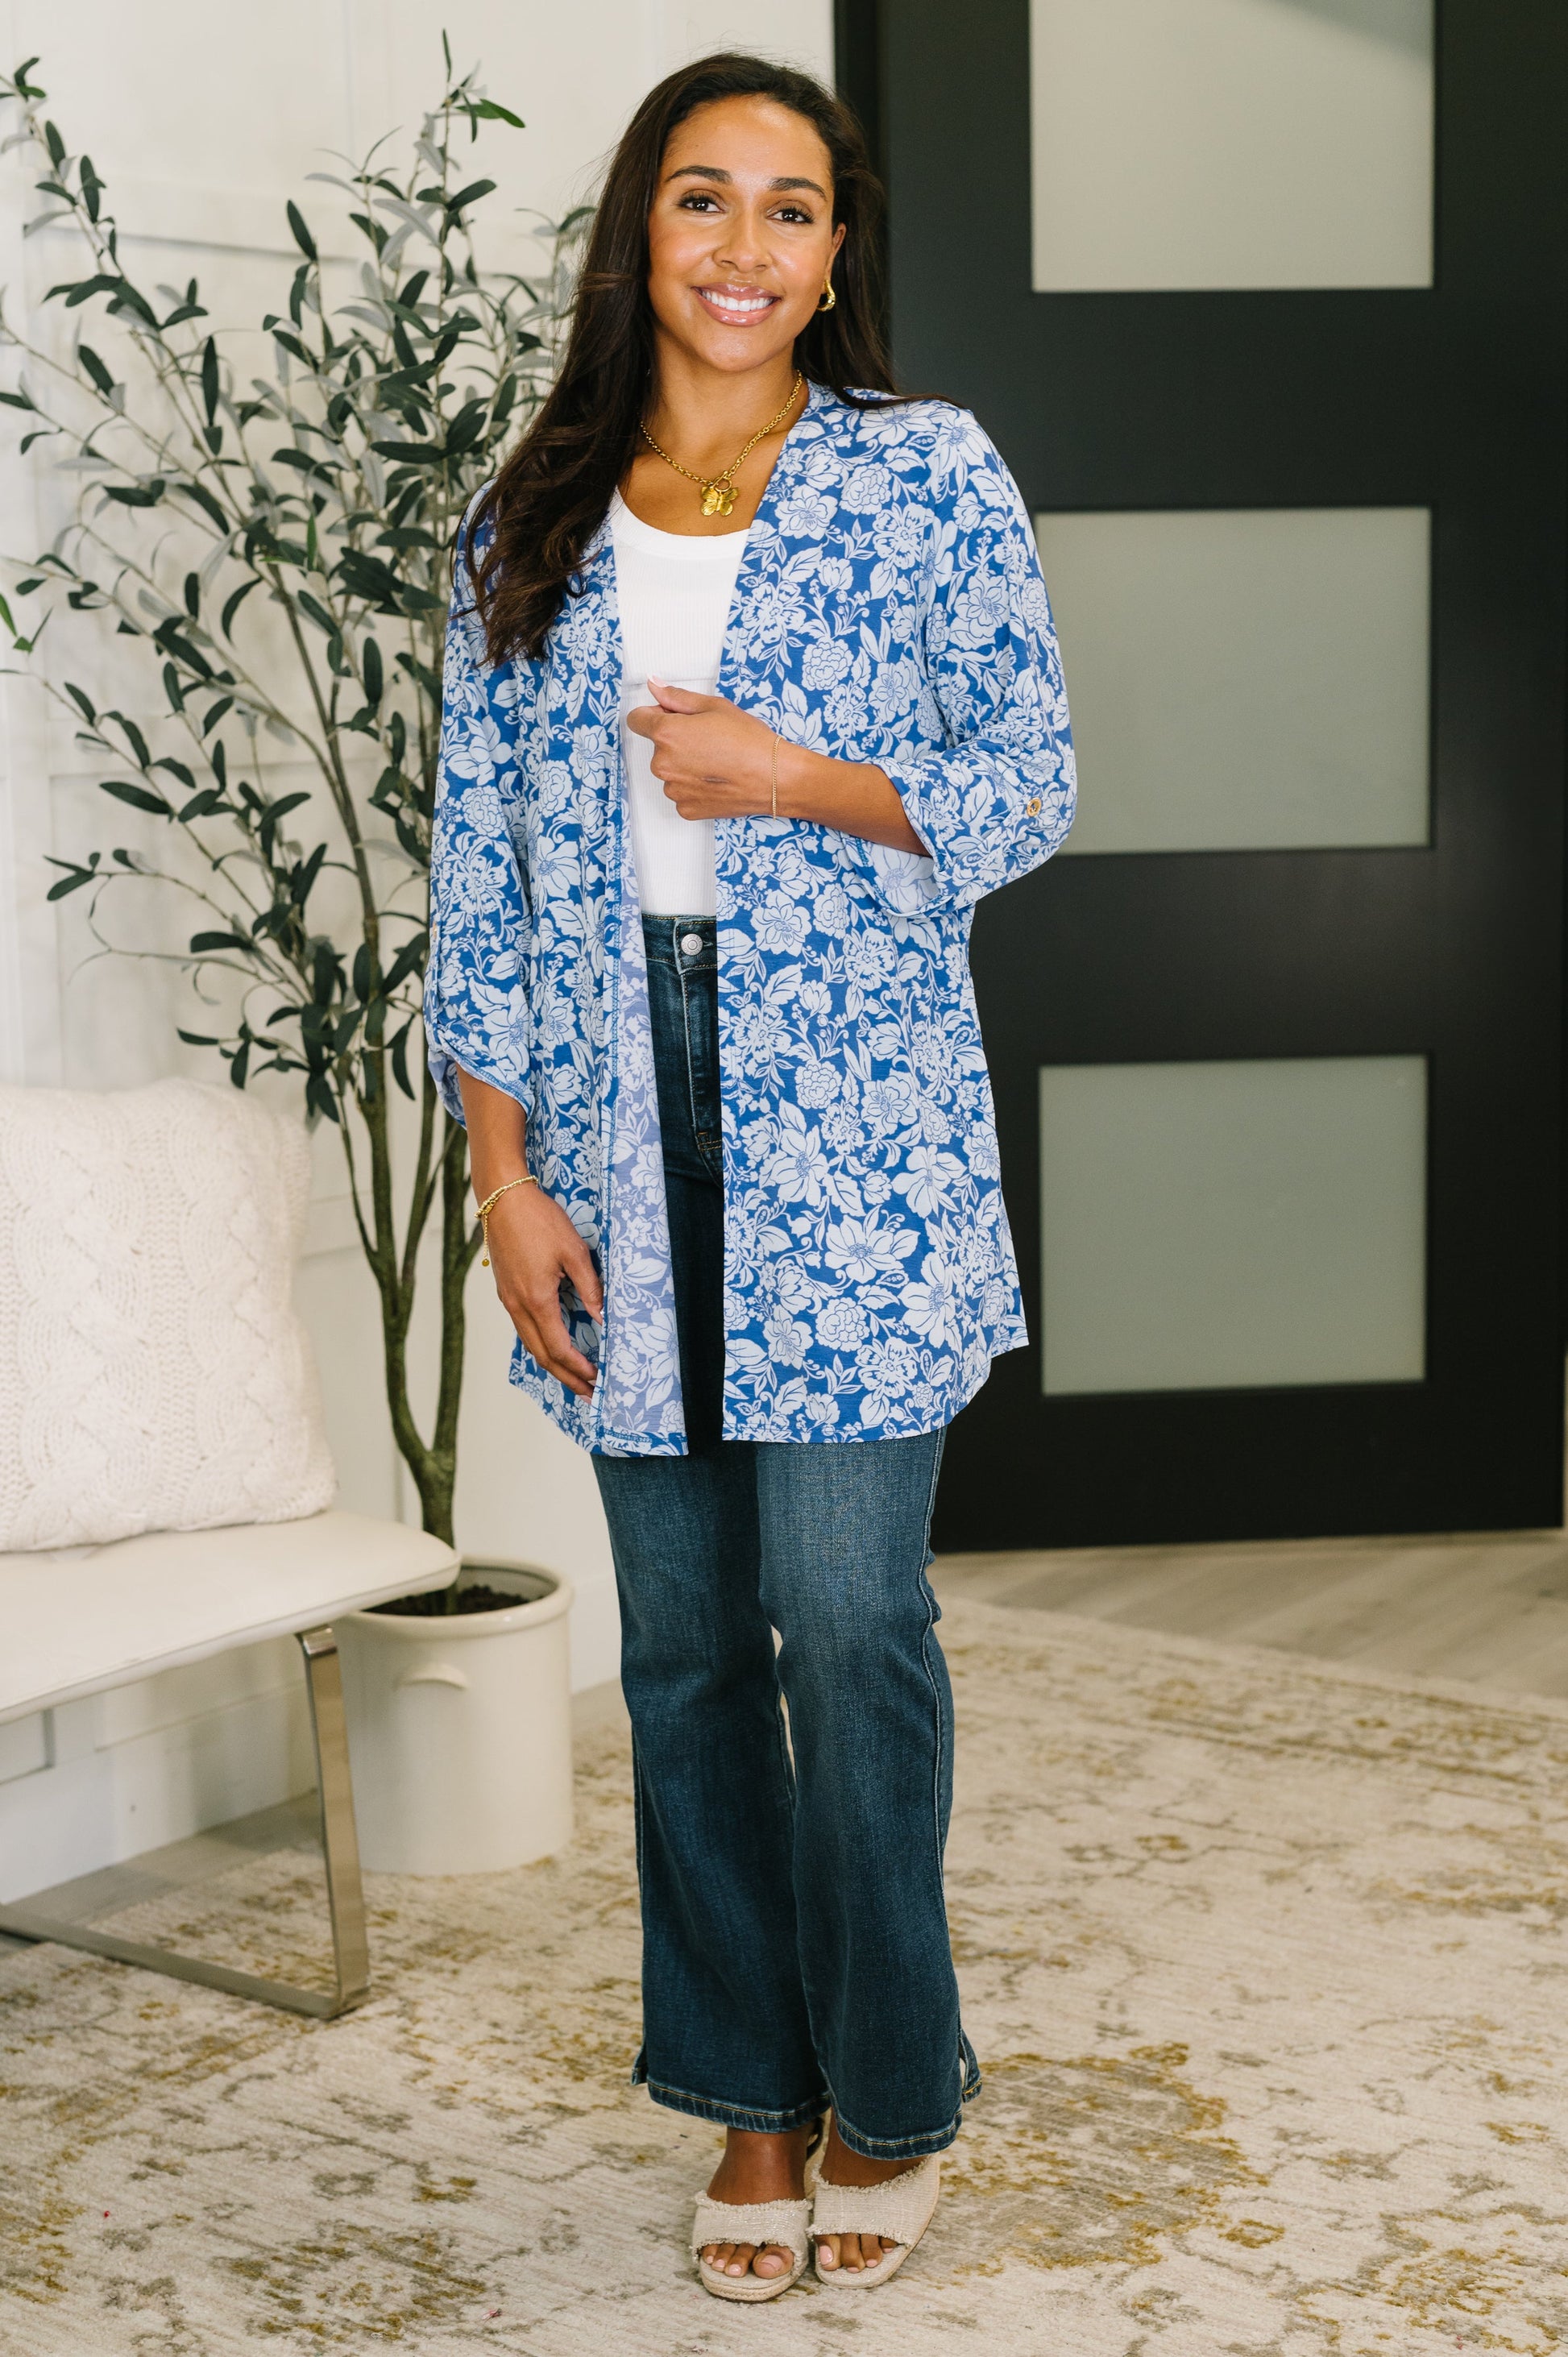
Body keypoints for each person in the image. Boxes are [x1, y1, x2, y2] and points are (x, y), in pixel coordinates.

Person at [425, 50, 1074, 2303]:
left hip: (854, 1110)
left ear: (833, 253)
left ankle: (894, 2084)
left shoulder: (923, 473)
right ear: (642, 229)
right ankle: (749, 2100)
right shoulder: (526, 520)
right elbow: (483, 875)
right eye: (702, 199)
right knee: (691, 1647)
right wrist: (503, 1178)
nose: (742, 246)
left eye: (789, 209)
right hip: (608, 1099)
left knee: (851, 1620)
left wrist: (796, 776)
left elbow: (1029, 781)